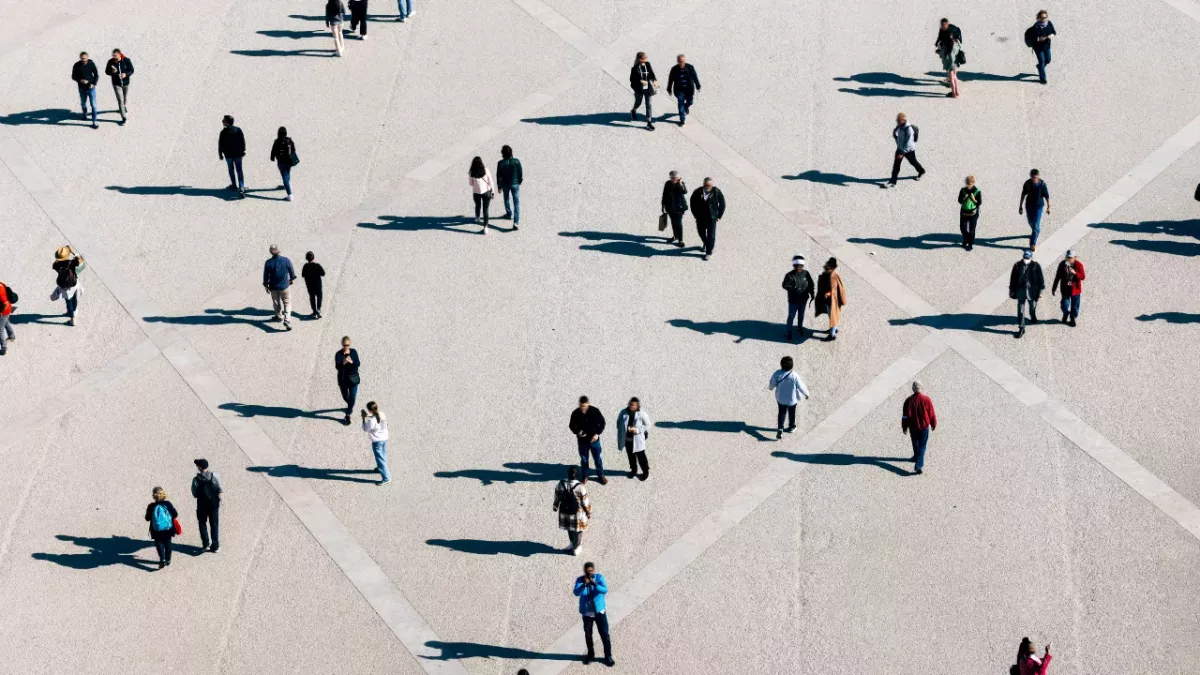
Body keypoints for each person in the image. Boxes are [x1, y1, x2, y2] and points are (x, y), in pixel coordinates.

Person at [574, 562, 614, 667]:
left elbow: (605, 590)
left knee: (604, 633)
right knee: (588, 634)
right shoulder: (580, 580)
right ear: (584, 571)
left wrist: (595, 584)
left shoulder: (599, 577)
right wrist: (584, 584)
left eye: (591, 571)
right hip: (587, 612)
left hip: (599, 611)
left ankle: (608, 656)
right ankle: (591, 655)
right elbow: (576, 593)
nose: (589, 573)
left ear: (594, 570)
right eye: (587, 571)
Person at [769, 356, 810, 440]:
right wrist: (806, 394)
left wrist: (770, 387)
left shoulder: (777, 374)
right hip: (792, 399)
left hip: (781, 398)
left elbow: (772, 384)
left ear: (781, 365)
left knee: (781, 412)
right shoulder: (794, 375)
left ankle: (780, 428)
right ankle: (791, 427)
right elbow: (801, 386)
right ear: (792, 366)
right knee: (792, 413)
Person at [553, 466, 591, 555]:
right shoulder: (580, 487)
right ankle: (577, 547)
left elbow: (557, 495)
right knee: (578, 530)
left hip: (564, 511)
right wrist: (588, 511)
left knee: (569, 528)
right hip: (577, 513)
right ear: (576, 475)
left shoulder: (561, 483)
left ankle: (572, 543)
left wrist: (555, 506)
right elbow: (585, 501)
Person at [568, 396, 607, 484]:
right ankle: (585, 476)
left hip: (594, 441)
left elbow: (602, 423)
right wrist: (577, 432)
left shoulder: (595, 411)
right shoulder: (575, 413)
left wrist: (597, 434)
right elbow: (571, 425)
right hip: (582, 442)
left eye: (585, 406)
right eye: (581, 406)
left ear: (588, 404)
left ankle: (600, 475)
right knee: (584, 460)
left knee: (597, 459)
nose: (583, 408)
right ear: (579, 405)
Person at [901, 381, 937, 475]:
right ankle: (918, 465)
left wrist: (904, 427)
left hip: (913, 427)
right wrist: (933, 423)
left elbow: (905, 416)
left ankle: (916, 457)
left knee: (915, 444)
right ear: (921, 388)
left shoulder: (908, 400)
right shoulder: (926, 399)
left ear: (913, 389)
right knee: (922, 445)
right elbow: (931, 413)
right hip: (924, 427)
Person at [1009, 250, 1045, 338]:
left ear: (1031, 258)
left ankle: (1032, 315)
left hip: (1031, 291)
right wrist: (1011, 290)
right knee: (1020, 310)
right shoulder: (1017, 265)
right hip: (1020, 291)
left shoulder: (1036, 266)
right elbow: (1013, 279)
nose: (1026, 259)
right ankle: (1021, 328)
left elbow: (1041, 279)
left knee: (1032, 306)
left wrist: (1040, 292)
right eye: (1025, 258)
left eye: (1027, 258)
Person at [689, 177, 726, 261]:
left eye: (709, 185)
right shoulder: (697, 191)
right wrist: (695, 214)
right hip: (700, 217)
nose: (707, 186)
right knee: (701, 233)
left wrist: (719, 216)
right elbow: (692, 203)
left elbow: (722, 204)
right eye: (706, 185)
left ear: (712, 185)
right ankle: (706, 244)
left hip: (712, 218)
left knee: (711, 236)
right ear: (703, 184)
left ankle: (709, 252)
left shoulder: (716, 192)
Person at [190, 459, 222, 553]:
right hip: (214, 505)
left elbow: (194, 493)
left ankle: (205, 544)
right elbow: (220, 489)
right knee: (214, 524)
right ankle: (215, 546)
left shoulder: (196, 479)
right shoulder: (215, 475)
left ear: (200, 467)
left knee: (202, 524)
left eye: (197, 466)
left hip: (202, 505)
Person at [262, 245, 296, 330]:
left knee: (276, 303)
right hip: (284, 286)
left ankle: (279, 316)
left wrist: (266, 285)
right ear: (278, 251)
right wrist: (291, 278)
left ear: (271, 252)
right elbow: (291, 271)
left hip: (273, 287)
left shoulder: (268, 262)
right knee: (287, 302)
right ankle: (287, 320)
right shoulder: (286, 260)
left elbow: (265, 275)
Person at [144, 487, 179, 569]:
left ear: (154, 496)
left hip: (156, 530)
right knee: (168, 543)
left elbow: (147, 518)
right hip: (168, 528)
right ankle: (168, 559)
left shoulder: (151, 506)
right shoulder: (167, 504)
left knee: (159, 543)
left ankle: (162, 559)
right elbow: (175, 514)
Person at [782, 255, 815, 341]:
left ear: (802, 265)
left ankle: (800, 328)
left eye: (800, 266)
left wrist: (812, 293)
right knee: (791, 317)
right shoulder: (789, 275)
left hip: (803, 300)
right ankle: (789, 333)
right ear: (794, 266)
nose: (798, 268)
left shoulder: (806, 273)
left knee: (801, 315)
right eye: (797, 266)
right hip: (793, 301)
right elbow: (785, 285)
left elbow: (811, 284)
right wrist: (794, 289)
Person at [616, 397, 650, 480]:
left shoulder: (641, 414)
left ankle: (645, 472)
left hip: (638, 440)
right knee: (631, 457)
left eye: (633, 405)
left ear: (637, 406)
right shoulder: (623, 412)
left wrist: (637, 430)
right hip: (628, 440)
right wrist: (621, 431)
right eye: (630, 404)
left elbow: (648, 425)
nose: (631, 406)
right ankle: (633, 470)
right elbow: (618, 422)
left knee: (641, 457)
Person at [887, 112, 925, 187]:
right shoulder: (899, 126)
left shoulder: (909, 130)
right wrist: (895, 135)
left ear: (903, 120)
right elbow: (897, 135)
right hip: (900, 148)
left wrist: (902, 152)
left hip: (909, 150)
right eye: (897, 120)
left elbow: (909, 143)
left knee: (913, 162)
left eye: (899, 120)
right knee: (896, 165)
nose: (897, 122)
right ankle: (893, 181)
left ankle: (921, 171)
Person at [815, 257, 847, 341]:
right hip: (829, 301)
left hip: (832, 301)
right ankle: (833, 329)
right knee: (831, 316)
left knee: (833, 317)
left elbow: (833, 289)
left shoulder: (832, 276)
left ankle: (832, 335)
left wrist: (827, 293)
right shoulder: (831, 274)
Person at [52, 246, 84, 326]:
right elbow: (81, 260)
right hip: (73, 284)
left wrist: (58, 260)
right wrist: (74, 253)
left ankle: (72, 318)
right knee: (74, 298)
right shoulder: (72, 262)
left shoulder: (57, 265)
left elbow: (54, 266)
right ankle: (74, 312)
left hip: (64, 286)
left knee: (68, 301)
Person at [1052, 250, 1085, 327]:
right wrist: (1054, 288)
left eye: (1070, 258)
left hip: (1075, 290)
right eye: (1067, 257)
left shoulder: (1079, 265)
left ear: (1075, 258)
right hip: (1065, 289)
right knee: (1064, 305)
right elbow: (1058, 276)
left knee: (1075, 306)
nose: (1068, 259)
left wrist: (1075, 273)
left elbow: (1083, 276)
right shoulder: (1062, 264)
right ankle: (1066, 313)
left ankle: (1072, 317)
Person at [1019, 169, 1051, 250]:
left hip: (1038, 207)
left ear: (1038, 176)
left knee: (1036, 224)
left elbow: (1046, 196)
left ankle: (1032, 243)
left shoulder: (1042, 184)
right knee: (1031, 222)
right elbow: (1023, 194)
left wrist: (1049, 207)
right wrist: (1020, 206)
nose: (1034, 179)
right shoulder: (1027, 183)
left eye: (1036, 177)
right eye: (1033, 177)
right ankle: (1035, 231)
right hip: (1029, 205)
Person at [666, 54, 700, 126]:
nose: (682, 62)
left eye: (683, 61)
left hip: (689, 90)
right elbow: (670, 79)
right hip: (679, 90)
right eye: (680, 61)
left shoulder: (690, 67)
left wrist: (698, 85)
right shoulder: (674, 69)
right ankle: (682, 120)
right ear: (677, 61)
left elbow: (695, 76)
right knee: (680, 104)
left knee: (690, 102)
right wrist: (669, 88)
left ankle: (686, 106)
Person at [361, 401, 390, 485]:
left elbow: (365, 428)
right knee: (383, 455)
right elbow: (375, 416)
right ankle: (380, 468)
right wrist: (367, 415)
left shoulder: (371, 421)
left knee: (380, 459)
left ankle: (386, 478)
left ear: (369, 410)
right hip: (384, 438)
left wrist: (363, 418)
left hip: (377, 441)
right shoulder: (382, 414)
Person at [218, 115, 247, 198]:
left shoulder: (223, 132)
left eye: (223, 120)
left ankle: (234, 185)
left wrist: (220, 154)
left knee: (231, 169)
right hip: (238, 154)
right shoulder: (238, 130)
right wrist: (243, 151)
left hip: (228, 155)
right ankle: (241, 187)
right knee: (239, 170)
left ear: (227, 122)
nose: (222, 121)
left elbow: (220, 144)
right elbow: (242, 141)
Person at [1025, 11, 1057, 84]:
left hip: (1047, 46)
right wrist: (1038, 39)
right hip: (1038, 48)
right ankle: (1042, 78)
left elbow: (1054, 32)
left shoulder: (1049, 24)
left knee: (1048, 60)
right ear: (1038, 18)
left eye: (1045, 17)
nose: (1044, 19)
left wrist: (1051, 35)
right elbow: (1031, 39)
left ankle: (1039, 67)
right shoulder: (1035, 28)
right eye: (1042, 17)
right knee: (1042, 62)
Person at [496, 145, 523, 229]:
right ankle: (516, 222)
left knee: (506, 199)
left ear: (502, 153)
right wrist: (519, 180)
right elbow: (520, 172)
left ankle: (508, 214)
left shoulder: (500, 163)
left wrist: (499, 186)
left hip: (505, 184)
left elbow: (498, 176)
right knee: (516, 203)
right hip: (515, 184)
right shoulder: (516, 161)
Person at [629, 52, 658, 131]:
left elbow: (651, 74)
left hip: (647, 88)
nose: (646, 59)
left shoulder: (647, 64)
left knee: (648, 104)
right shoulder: (635, 68)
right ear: (640, 59)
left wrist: (655, 80)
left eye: (646, 58)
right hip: (639, 88)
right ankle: (633, 110)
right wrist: (640, 81)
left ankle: (649, 122)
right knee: (638, 102)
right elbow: (631, 79)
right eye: (644, 58)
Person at [105, 48, 133, 125]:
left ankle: (123, 107)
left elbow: (131, 70)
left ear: (120, 54)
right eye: (113, 56)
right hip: (116, 84)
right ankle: (124, 118)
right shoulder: (110, 62)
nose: (114, 57)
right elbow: (106, 71)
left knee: (124, 98)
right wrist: (112, 71)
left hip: (125, 83)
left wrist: (125, 74)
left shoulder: (127, 60)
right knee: (120, 99)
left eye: (115, 56)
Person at [335, 336, 360, 425]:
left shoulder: (353, 352)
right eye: (345, 345)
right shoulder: (338, 354)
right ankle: (350, 406)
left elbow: (358, 364)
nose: (346, 346)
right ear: (342, 344)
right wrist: (343, 363)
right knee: (346, 397)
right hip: (343, 381)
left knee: (352, 397)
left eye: (348, 345)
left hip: (353, 380)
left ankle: (348, 414)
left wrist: (352, 362)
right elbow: (337, 367)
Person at [934, 19, 962, 98]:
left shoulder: (949, 39)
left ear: (947, 24)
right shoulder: (953, 40)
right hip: (954, 60)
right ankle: (957, 92)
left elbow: (947, 52)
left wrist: (940, 52)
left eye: (944, 25)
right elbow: (940, 37)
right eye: (942, 25)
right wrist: (937, 43)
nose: (942, 26)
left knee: (951, 78)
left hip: (950, 61)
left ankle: (953, 94)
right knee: (955, 77)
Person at [71, 52, 99, 129]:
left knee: (93, 105)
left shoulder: (91, 64)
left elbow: (96, 75)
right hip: (82, 88)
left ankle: (94, 121)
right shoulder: (77, 65)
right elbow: (73, 76)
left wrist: (93, 84)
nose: (84, 60)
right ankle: (84, 113)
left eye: (85, 58)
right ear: (80, 58)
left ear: (87, 57)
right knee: (83, 103)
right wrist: (80, 80)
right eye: (82, 58)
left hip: (91, 88)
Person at [661, 171, 689, 246]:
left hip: (679, 207)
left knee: (678, 223)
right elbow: (664, 194)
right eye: (672, 178)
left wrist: (680, 183)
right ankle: (675, 236)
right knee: (673, 222)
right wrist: (663, 205)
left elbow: (684, 191)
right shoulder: (667, 183)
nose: (674, 179)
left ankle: (681, 240)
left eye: (676, 178)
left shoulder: (680, 184)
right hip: (670, 207)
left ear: (679, 178)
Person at [468, 156, 495, 233]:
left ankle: (477, 217)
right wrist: (492, 192)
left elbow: (470, 184)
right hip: (486, 192)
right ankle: (485, 227)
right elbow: (491, 181)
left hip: (476, 193)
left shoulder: (471, 173)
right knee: (485, 209)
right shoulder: (486, 170)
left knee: (478, 205)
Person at [270, 127, 297, 201]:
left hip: (281, 162)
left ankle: (289, 194)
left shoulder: (276, 142)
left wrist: (272, 157)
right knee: (287, 173)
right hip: (289, 161)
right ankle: (288, 184)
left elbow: (273, 151)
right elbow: (294, 149)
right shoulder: (289, 140)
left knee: (284, 176)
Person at [957, 175, 982, 250]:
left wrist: (974, 199)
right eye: (967, 183)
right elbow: (959, 201)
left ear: (973, 183)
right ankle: (966, 239)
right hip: (964, 212)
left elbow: (979, 203)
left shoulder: (977, 191)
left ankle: (970, 243)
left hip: (973, 213)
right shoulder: (962, 190)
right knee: (962, 228)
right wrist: (963, 198)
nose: (968, 185)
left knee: (972, 229)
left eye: (970, 184)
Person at [301, 251, 325, 318]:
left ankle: (314, 312)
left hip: (310, 285)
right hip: (318, 285)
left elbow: (303, 275)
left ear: (306, 258)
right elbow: (323, 273)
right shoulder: (317, 265)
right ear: (313, 258)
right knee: (319, 297)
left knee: (312, 298)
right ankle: (318, 309)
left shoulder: (305, 266)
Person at [0, 280, 16, 356]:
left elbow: (5, 304)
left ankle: (4, 348)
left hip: (4, 311)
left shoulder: (0, 292)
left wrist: (0, 312)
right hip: (8, 309)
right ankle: (11, 336)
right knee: (6, 322)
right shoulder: (1, 283)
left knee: (0, 329)